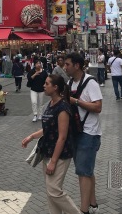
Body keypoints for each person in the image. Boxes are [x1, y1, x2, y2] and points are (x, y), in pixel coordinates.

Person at [22, 74, 80, 214]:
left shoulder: (63, 107)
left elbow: (62, 136)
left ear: (55, 87)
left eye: (47, 84)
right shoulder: (50, 103)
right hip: (46, 151)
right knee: (50, 192)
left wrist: (53, 161)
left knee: (54, 191)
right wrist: (32, 136)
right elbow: (48, 128)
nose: (44, 85)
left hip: (60, 155)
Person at [64, 52, 102, 214]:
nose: (64, 67)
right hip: (75, 131)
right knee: (86, 170)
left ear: (77, 66)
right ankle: (92, 202)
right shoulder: (69, 82)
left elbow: (98, 107)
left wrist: (76, 101)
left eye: (67, 64)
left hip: (89, 132)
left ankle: (84, 210)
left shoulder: (90, 83)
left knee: (83, 172)